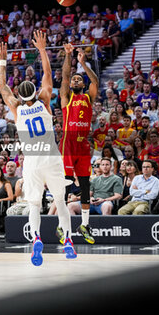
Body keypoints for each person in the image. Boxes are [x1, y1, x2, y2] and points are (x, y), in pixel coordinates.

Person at [0, 31, 77, 265]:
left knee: (33, 204)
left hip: (31, 161)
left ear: (20, 96)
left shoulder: (16, 108)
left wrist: (3, 61)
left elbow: (2, 87)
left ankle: (36, 241)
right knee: (60, 201)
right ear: (35, 92)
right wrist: (42, 49)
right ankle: (68, 240)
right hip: (51, 158)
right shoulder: (44, 102)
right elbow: (49, 74)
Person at [59, 41, 98, 245]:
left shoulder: (88, 97)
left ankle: (84, 225)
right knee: (65, 184)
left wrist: (83, 64)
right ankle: (61, 223)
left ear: (82, 84)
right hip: (68, 142)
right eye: (73, 78)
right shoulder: (66, 97)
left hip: (83, 145)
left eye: (78, 79)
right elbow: (65, 75)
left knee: (84, 185)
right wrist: (68, 55)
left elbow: (95, 82)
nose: (74, 79)